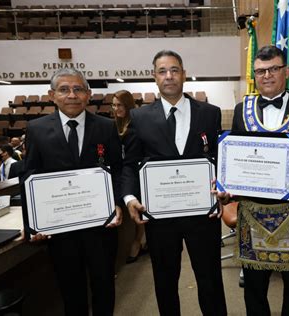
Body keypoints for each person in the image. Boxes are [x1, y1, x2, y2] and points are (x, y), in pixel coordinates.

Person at [217, 45, 289, 316]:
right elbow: (236, 157)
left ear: (286, 71)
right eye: (260, 71)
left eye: (273, 69)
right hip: (252, 212)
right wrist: (228, 187)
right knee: (253, 284)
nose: (267, 75)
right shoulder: (243, 109)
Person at [121, 50, 227, 316]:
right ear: (154, 77)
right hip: (160, 216)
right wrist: (130, 198)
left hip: (202, 214)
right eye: (162, 71)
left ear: (183, 73)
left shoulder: (210, 114)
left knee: (211, 280)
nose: (169, 76)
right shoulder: (140, 118)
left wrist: (223, 186)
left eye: (174, 70)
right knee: (165, 281)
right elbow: (129, 165)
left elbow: (220, 159)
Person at [25, 68, 123, 316]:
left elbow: (118, 172)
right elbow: (30, 176)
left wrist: (119, 204)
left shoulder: (106, 127)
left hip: (101, 227)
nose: (72, 95)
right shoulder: (36, 129)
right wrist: (33, 223)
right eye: (64, 89)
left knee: (104, 287)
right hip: (61, 230)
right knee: (71, 291)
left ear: (88, 95)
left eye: (78, 89)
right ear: (52, 95)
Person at [111, 90, 147, 264]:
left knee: (137, 211)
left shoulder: (134, 127)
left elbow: (131, 159)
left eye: (120, 105)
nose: (116, 108)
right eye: (114, 105)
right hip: (119, 171)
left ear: (128, 106)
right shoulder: (114, 125)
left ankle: (137, 242)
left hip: (134, 172)